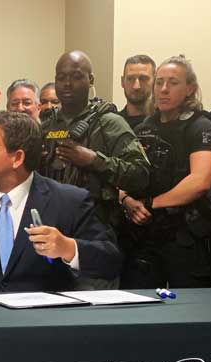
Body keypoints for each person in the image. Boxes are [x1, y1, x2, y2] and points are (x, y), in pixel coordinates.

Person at [0, 112, 121, 292]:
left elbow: (110, 262)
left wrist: (68, 248)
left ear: (17, 158)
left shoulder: (70, 201)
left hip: (40, 318)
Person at [39, 50, 150, 289]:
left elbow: (140, 174)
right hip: (50, 231)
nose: (67, 84)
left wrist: (93, 160)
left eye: (76, 76)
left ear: (90, 80)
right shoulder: (46, 124)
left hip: (94, 232)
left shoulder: (109, 123)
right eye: (61, 77)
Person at [120, 55, 211, 289]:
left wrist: (151, 202)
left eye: (173, 83)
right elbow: (124, 173)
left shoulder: (200, 126)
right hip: (145, 235)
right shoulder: (144, 128)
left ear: (190, 88)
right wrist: (127, 200)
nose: (163, 89)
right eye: (159, 82)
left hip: (186, 235)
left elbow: (200, 181)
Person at [118, 54, 156, 129]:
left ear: (155, 81)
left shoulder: (164, 123)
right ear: (122, 82)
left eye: (143, 79)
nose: (136, 86)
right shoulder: (112, 125)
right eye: (130, 79)